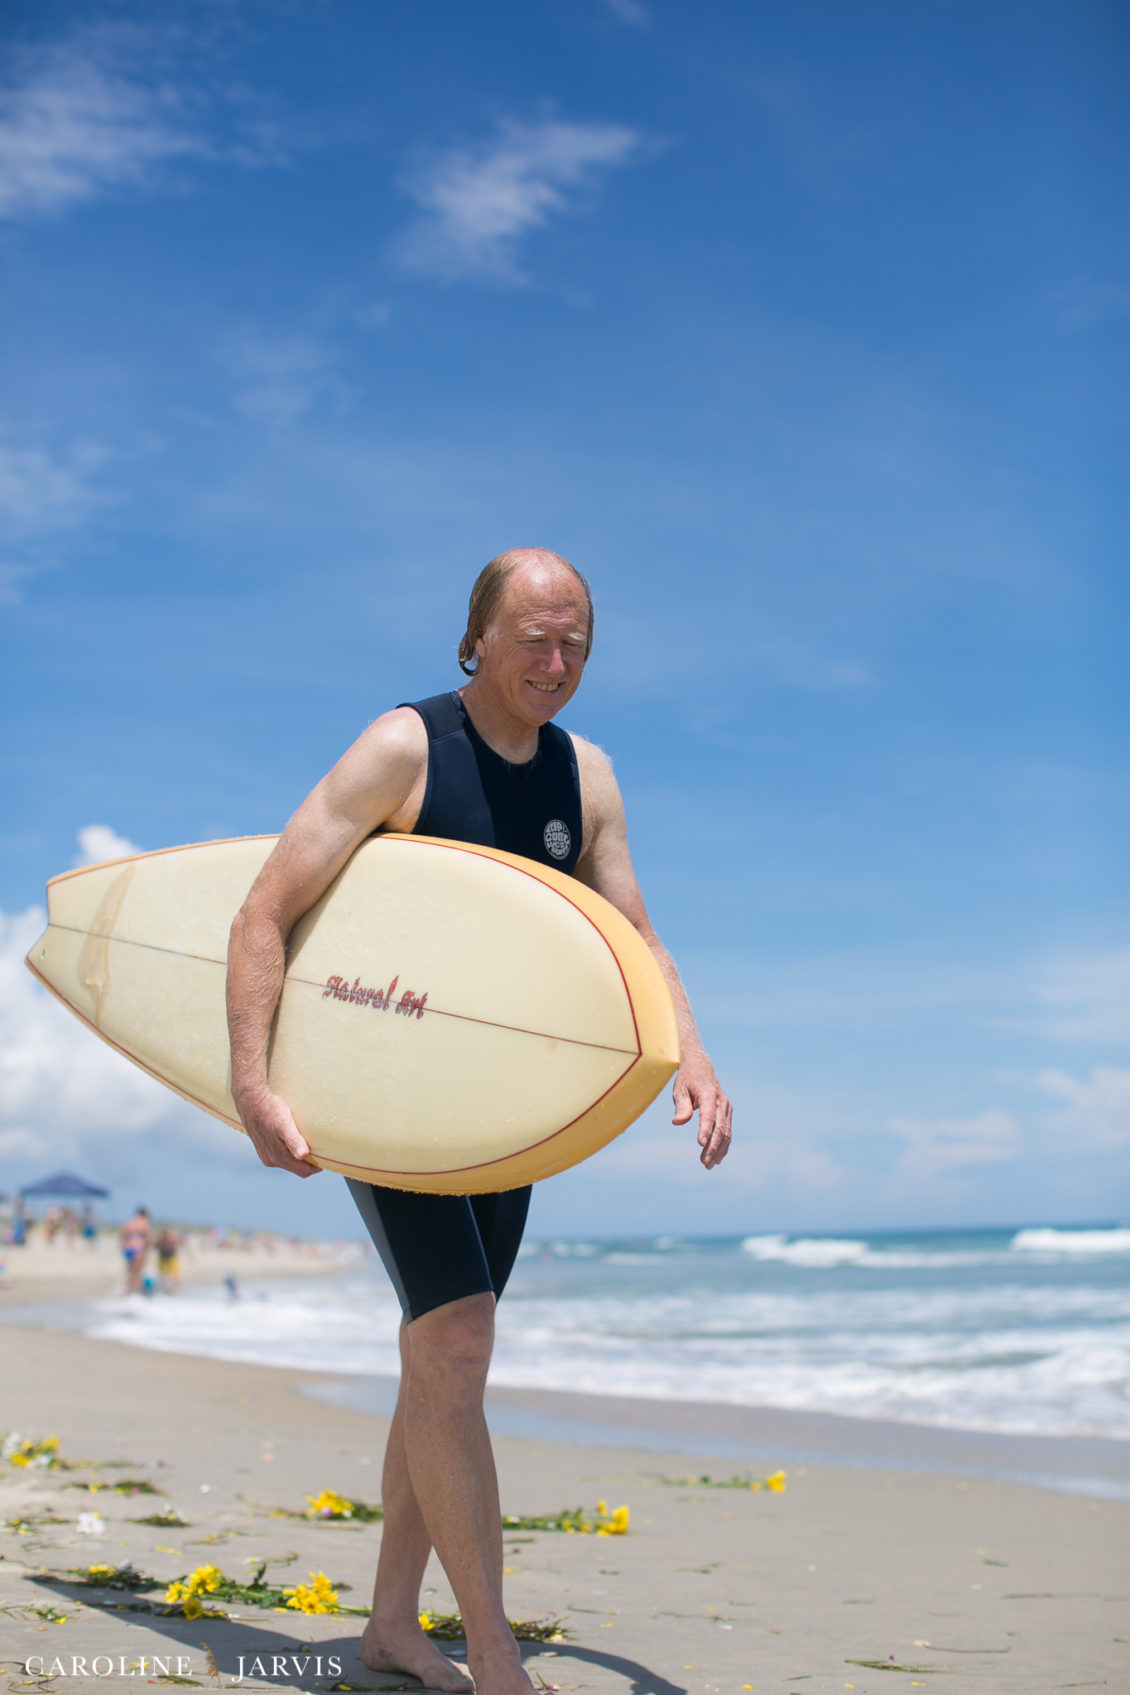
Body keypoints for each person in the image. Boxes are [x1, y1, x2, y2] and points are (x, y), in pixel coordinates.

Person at [226, 548, 733, 1695]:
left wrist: (688, 1051)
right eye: (532, 641)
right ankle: (492, 1652)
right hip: (385, 1096)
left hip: (507, 1113)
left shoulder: (585, 777)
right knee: (455, 1341)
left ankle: (392, 1628)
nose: (554, 664)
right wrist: (256, 1082)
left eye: (575, 646)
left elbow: (635, 936)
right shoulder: (404, 750)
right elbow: (266, 910)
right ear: (477, 639)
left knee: (438, 1361)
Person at [119, 1206, 150, 1295]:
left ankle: (127, 1290)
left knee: (130, 1271)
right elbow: (146, 1238)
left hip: (128, 1248)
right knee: (138, 1272)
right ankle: (137, 1292)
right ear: (144, 1214)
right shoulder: (144, 1222)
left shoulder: (130, 1222)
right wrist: (146, 1251)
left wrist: (124, 1248)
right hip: (138, 1248)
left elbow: (123, 1236)